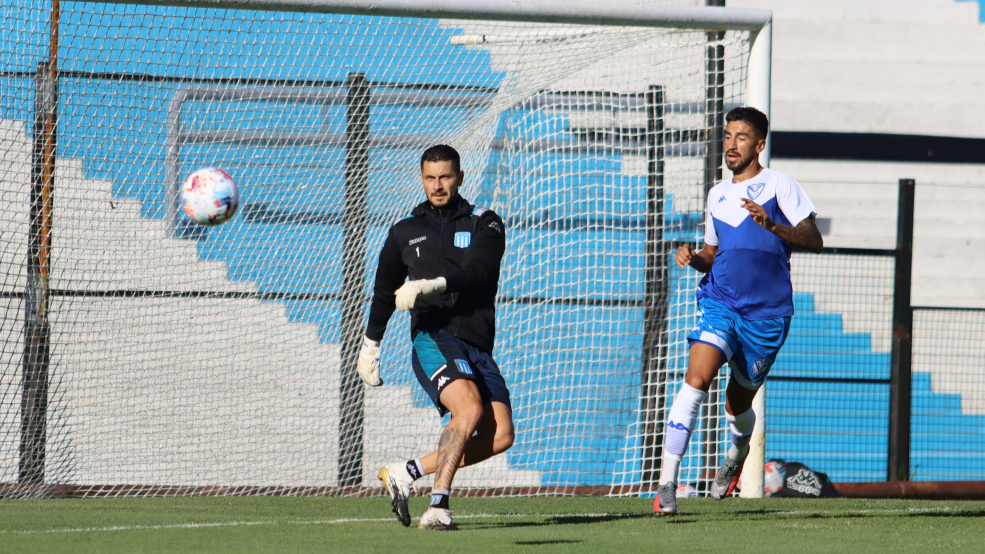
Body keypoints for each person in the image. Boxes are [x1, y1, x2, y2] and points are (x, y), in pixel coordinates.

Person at [653, 107, 823, 516]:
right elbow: (713, 254)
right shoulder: (717, 193)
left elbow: (814, 240)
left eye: (741, 137)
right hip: (720, 302)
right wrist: (693, 257)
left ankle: (738, 450)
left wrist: (773, 226)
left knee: (736, 406)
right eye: (728, 136)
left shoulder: (780, 184)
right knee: (697, 378)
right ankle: (666, 484)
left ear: (759, 144)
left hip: (767, 316)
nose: (731, 144)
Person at [356, 144, 515, 530]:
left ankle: (405, 472)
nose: (438, 185)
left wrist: (431, 285)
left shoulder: (486, 222)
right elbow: (383, 293)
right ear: (422, 178)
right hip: (434, 336)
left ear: (459, 177)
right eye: (430, 177)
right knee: (468, 410)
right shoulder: (403, 232)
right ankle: (439, 506)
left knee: (501, 435)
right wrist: (370, 345)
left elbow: (480, 272)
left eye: (445, 177)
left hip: (476, 342)